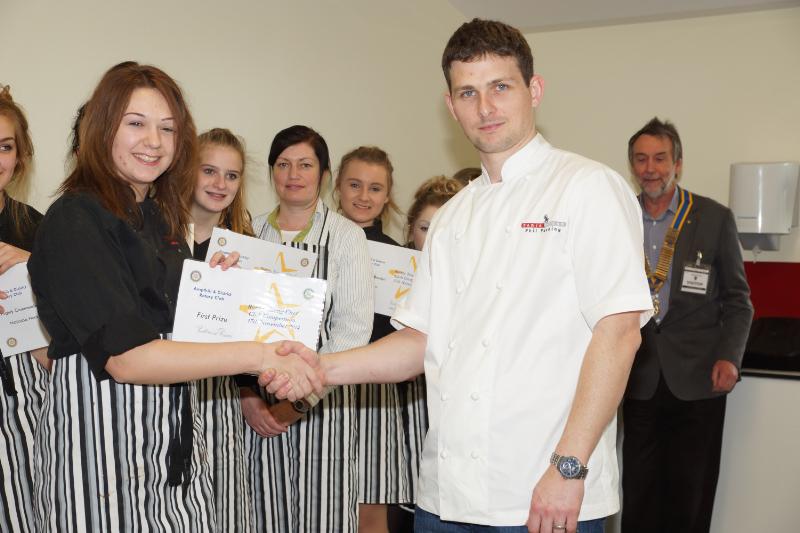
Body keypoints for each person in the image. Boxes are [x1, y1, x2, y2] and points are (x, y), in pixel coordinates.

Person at [280, 18, 654, 533]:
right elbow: (419, 341)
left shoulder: (587, 188)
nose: (485, 107)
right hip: (445, 497)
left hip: (543, 493)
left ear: (534, 90)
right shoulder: (454, 215)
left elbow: (619, 333)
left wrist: (569, 466)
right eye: (468, 93)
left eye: (501, 87)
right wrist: (319, 367)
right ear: (451, 105)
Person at [27, 62, 321, 532]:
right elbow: (127, 359)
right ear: (102, 127)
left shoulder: (160, 220)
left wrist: (221, 295)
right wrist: (261, 353)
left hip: (173, 445)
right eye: (136, 123)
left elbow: (182, 329)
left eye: (167, 128)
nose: (154, 141)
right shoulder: (75, 219)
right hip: (104, 455)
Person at [621, 118, 753, 533]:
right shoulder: (618, 217)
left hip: (698, 377)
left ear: (678, 164)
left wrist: (730, 358)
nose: (650, 169)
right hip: (637, 377)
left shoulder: (713, 217)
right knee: (638, 489)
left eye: (660, 158)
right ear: (631, 165)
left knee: (690, 490)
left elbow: (738, 301)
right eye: (641, 159)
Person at [243, 125, 373, 532]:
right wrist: (249, 398)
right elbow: (232, 325)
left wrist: (299, 402)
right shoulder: (249, 231)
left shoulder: (346, 237)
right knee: (258, 516)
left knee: (323, 518)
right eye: (283, 164)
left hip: (323, 408)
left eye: (305, 165)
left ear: (324, 174)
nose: (293, 174)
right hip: (256, 411)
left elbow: (353, 331)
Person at [333, 145, 408, 533]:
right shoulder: (318, 245)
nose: (364, 196)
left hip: (374, 393)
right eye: (354, 185)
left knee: (370, 505)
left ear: (387, 196)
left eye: (375, 188)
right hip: (321, 386)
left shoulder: (401, 260)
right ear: (337, 187)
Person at [191, 127, 255, 532]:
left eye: (231, 176)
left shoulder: (246, 247)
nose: (220, 184)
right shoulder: (154, 237)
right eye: (209, 171)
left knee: (224, 511)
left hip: (220, 400)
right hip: (162, 390)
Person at [0, 84, 48, 533]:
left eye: (5, 146)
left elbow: (71, 322)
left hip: (31, 401)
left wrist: (34, 266)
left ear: (20, 156)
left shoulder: (35, 226)